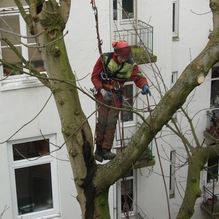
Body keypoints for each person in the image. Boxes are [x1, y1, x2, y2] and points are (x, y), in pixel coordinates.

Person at [91, 40, 151, 162]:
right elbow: (95, 76)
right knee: (102, 121)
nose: (124, 59)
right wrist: (101, 89)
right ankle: (98, 149)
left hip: (116, 96)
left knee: (111, 122)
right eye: (122, 57)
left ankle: (106, 150)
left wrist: (144, 85)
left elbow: (138, 77)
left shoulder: (130, 65)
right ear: (116, 54)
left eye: (126, 57)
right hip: (103, 93)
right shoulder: (105, 59)